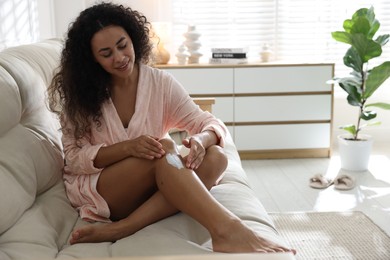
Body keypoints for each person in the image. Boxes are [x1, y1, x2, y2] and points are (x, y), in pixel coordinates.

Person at [48, 2, 295, 254]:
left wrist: (201, 139)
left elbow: (209, 123)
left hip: (153, 185)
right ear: (92, 59)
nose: (120, 58)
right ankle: (227, 229)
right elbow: (75, 159)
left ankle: (124, 228)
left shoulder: (160, 84)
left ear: (133, 38)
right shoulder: (82, 96)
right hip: (106, 190)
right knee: (165, 147)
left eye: (123, 45)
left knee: (216, 157)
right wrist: (128, 148)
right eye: (106, 53)